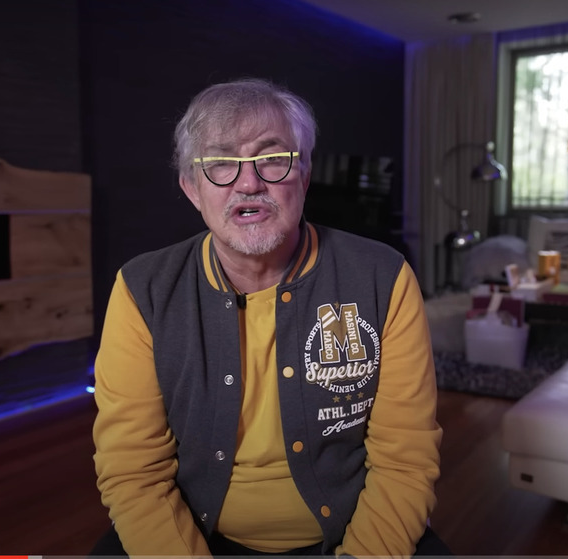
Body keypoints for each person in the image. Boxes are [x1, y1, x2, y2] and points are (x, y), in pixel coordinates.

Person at [91, 77, 447, 557]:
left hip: (354, 531)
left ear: (304, 175)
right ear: (192, 189)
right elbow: (134, 471)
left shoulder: (383, 276)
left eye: (272, 158)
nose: (249, 183)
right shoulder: (143, 289)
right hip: (191, 535)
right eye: (220, 163)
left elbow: (405, 462)